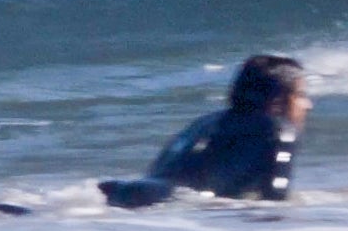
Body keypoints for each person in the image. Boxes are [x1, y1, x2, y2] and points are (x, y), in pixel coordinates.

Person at [98, 54, 311, 209]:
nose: (308, 104)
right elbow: (275, 200)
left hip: (128, 190)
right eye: (301, 95)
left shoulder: (206, 121)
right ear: (277, 102)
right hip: (172, 199)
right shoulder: (280, 129)